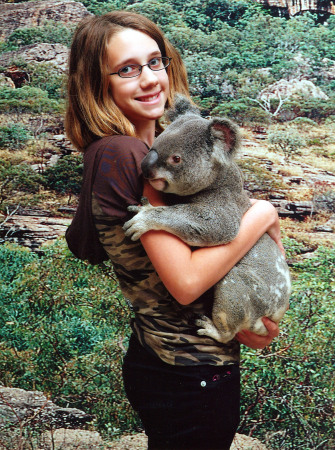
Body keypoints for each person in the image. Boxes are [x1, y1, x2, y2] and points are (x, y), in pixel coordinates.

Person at [65, 10, 284, 450]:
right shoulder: (126, 153)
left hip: (175, 362)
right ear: (96, 83)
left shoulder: (146, 148)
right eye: (126, 69)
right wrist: (263, 215)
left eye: (154, 62)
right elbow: (185, 284)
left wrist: (250, 310)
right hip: (187, 373)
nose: (149, 79)